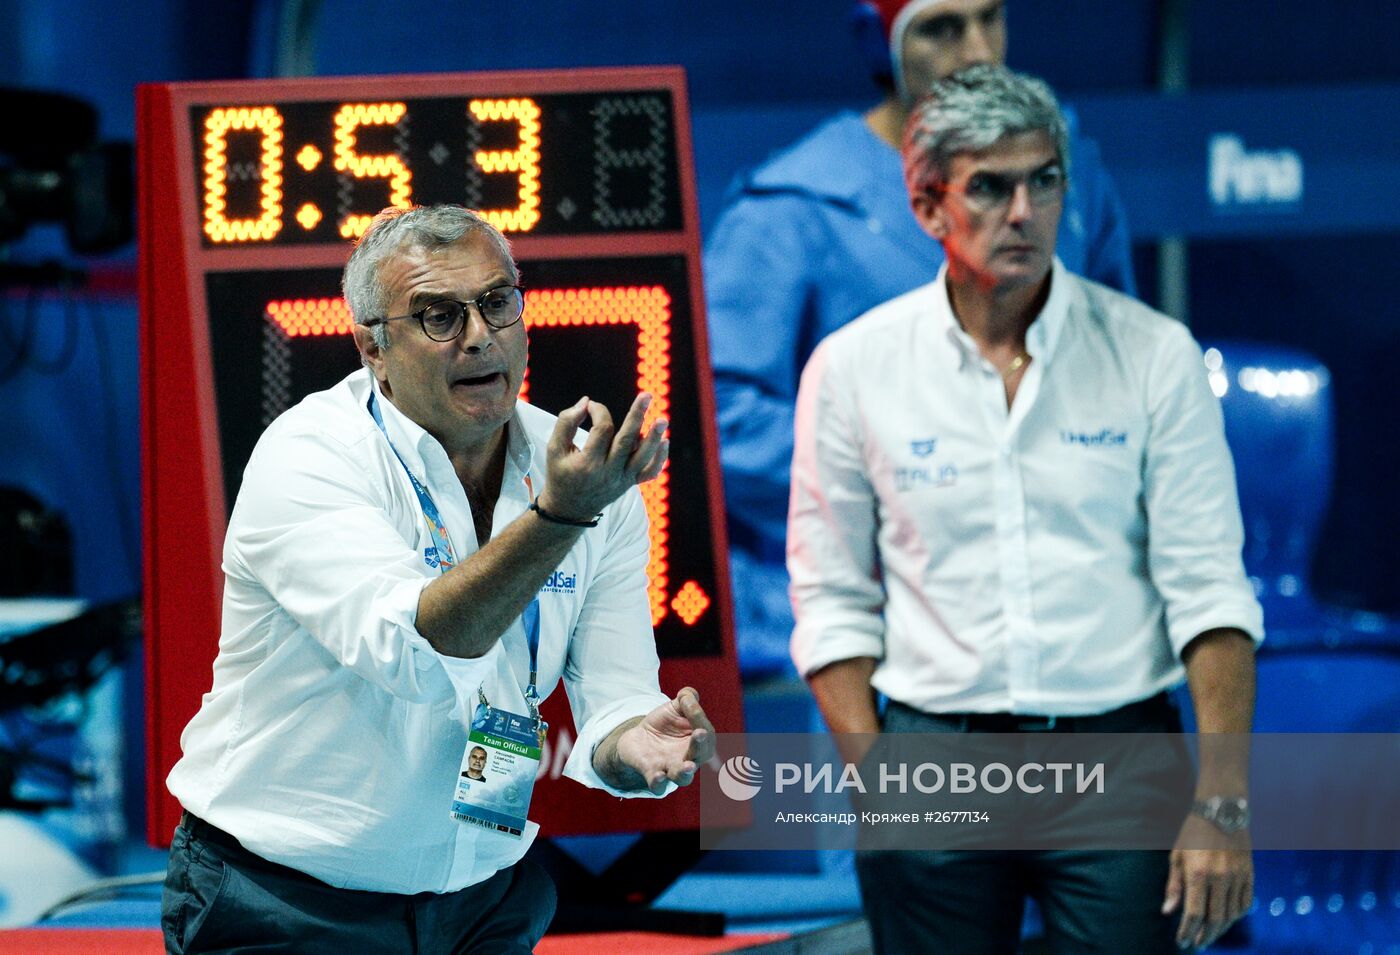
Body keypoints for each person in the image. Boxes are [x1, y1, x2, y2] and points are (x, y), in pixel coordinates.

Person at [788, 66, 1261, 953]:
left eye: (1044, 180)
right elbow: (831, 602)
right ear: (929, 207)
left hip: (1120, 752)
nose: (1024, 210)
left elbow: (1212, 592)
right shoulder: (853, 369)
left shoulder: (1155, 356)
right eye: (992, 186)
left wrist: (1223, 802)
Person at [161, 204, 716, 954]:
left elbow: (614, 692)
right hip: (285, 901)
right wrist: (557, 519)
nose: (480, 334)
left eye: (495, 302)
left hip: (486, 897)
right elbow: (419, 652)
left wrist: (634, 745)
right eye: (438, 317)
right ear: (372, 348)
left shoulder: (582, 473)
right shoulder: (310, 456)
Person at [707, 0, 1138, 675]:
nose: (976, 51)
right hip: (875, 611)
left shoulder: (1068, 175)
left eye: (988, 18)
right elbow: (720, 415)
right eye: (940, 29)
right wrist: (902, 476)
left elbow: (1118, 363)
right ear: (878, 44)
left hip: (1061, 597)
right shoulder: (795, 206)